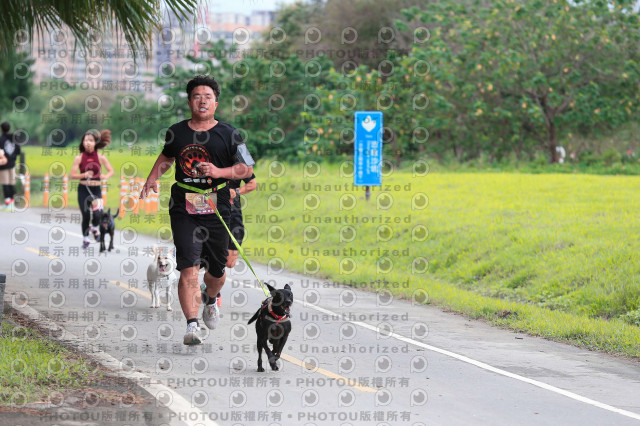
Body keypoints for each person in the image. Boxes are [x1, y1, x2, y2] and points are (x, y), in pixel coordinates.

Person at [140, 75, 255, 346]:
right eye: (196, 96)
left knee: (216, 272)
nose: (202, 101)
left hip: (218, 205)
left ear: (216, 103)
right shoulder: (177, 131)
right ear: (189, 101)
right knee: (188, 266)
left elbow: (245, 169)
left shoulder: (230, 134)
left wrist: (218, 172)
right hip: (184, 205)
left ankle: (211, 299)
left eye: (207, 97)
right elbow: (167, 156)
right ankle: (192, 326)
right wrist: (152, 177)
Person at [70, 130, 114, 248]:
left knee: (98, 213)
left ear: (95, 143)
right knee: (86, 215)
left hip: (96, 190)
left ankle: (94, 227)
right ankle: (85, 239)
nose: (88, 143)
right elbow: (72, 175)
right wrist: (84, 175)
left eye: (91, 140)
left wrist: (105, 176)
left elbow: (111, 170)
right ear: (83, 142)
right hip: (83, 190)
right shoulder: (79, 158)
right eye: (86, 140)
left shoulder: (100, 157)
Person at [226, 174, 257, 269]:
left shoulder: (238, 164)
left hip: (232, 213)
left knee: (230, 262)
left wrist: (236, 191)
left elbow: (252, 184)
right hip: (205, 212)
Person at [0, 122, 21, 210]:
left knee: (5, 183)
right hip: (12, 164)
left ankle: (8, 203)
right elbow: (18, 151)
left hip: (3, 164)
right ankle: (12, 203)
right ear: (9, 128)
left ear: (1, 129)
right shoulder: (14, 138)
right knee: (11, 183)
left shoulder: (1, 139)